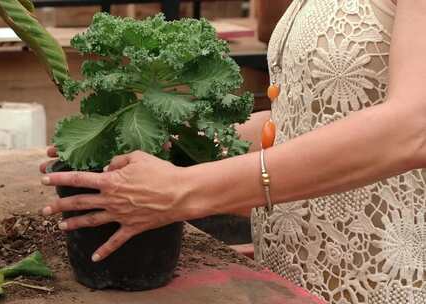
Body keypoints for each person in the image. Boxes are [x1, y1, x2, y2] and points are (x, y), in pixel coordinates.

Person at [40, 1, 426, 303]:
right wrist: (165, 143)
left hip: (385, 277)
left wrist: (185, 187)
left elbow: (414, 129)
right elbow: (304, 117)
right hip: (294, 273)